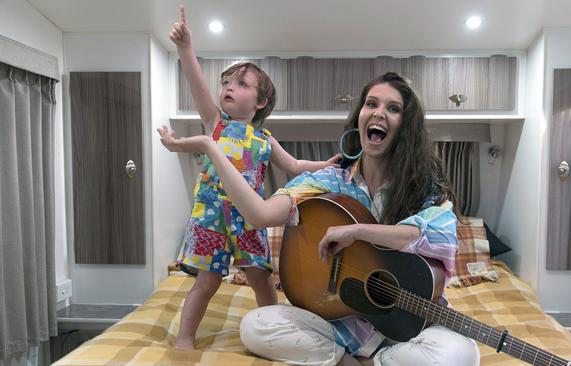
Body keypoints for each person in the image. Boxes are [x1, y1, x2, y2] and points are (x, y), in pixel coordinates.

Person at [158, 72, 480, 365]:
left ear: (406, 126)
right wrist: (211, 148)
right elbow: (258, 215)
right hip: (339, 323)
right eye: (371, 103)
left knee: (462, 354)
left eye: (393, 108)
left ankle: (372, 362)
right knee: (256, 325)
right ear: (360, 118)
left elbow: (436, 256)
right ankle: (347, 361)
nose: (379, 112)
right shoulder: (329, 180)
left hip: (407, 323)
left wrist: (359, 231)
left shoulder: (424, 190)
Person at [167, 5, 340, 350]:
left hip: (249, 219)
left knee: (263, 280)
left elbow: (293, 166)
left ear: (260, 102)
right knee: (207, 282)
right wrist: (186, 49)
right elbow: (197, 84)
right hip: (212, 217)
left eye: (240, 84)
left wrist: (326, 165)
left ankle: (275, 335)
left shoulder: (263, 138)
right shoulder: (215, 124)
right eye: (227, 82)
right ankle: (185, 339)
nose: (229, 87)